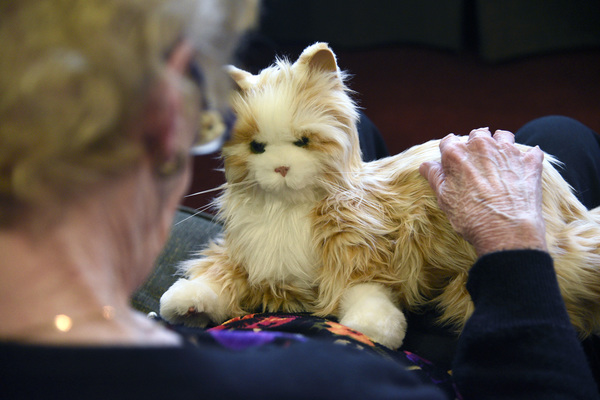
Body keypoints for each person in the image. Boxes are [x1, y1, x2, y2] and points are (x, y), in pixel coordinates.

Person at [0, 1, 599, 398]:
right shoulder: (336, 385)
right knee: (558, 136)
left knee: (349, 151)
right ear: (163, 126)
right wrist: (511, 248)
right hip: (412, 338)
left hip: (269, 302)